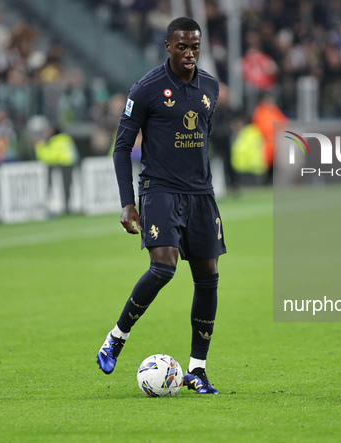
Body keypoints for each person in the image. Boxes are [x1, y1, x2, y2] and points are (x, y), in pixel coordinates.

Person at [96, 17, 225, 395]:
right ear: (168, 46)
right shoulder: (147, 88)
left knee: (208, 277)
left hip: (201, 195)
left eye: (195, 46)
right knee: (164, 266)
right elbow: (121, 148)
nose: (189, 53)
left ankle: (197, 370)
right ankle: (117, 337)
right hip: (160, 190)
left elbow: (203, 138)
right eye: (182, 46)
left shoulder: (211, 88)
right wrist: (127, 203)